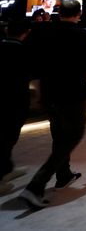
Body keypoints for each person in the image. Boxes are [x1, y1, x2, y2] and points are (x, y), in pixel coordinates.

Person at [19, 0, 86, 209]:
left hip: (49, 94)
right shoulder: (85, 36)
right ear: (79, 13)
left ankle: (64, 175)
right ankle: (35, 186)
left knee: (59, 135)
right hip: (73, 95)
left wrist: (38, 91)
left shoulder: (42, 32)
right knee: (73, 136)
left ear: (58, 12)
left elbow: (32, 64)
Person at [1, 18, 32, 190]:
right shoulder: (23, 51)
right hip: (14, 102)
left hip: (8, 101)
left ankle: (6, 169)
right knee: (7, 139)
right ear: (26, 33)